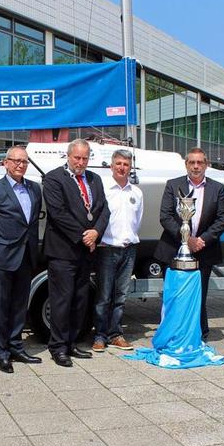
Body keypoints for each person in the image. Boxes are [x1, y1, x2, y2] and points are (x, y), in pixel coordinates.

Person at [43, 139, 110, 367]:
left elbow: (103, 210)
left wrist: (97, 232)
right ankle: (58, 347)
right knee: (61, 301)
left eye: (85, 158)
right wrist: (86, 235)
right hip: (63, 250)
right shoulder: (53, 178)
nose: (81, 162)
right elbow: (58, 213)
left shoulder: (95, 179)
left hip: (86, 252)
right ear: (68, 156)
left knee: (80, 300)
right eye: (77, 158)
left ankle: (71, 343)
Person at [0, 146, 43, 373]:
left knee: (19, 306)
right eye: (15, 161)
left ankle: (16, 346)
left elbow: (31, 224)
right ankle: (1, 352)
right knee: (2, 306)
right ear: (5, 163)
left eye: (24, 161)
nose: (20, 165)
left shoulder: (35, 189)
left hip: (25, 256)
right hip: (1, 257)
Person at [154, 147, 224, 341]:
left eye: (200, 162)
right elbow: (166, 216)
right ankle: (173, 333)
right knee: (175, 295)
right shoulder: (173, 185)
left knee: (199, 296)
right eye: (192, 162)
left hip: (204, 250)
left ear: (206, 165)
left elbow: (222, 219)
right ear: (186, 164)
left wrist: (202, 240)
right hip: (174, 249)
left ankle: (198, 334)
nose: (196, 166)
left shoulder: (217, 188)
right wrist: (188, 240)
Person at [92, 149, 143, 352]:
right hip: (106, 249)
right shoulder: (103, 189)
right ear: (111, 166)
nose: (122, 167)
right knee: (104, 296)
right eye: (119, 164)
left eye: (126, 164)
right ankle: (99, 336)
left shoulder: (136, 193)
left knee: (121, 295)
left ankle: (116, 334)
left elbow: (136, 221)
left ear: (130, 168)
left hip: (128, 249)